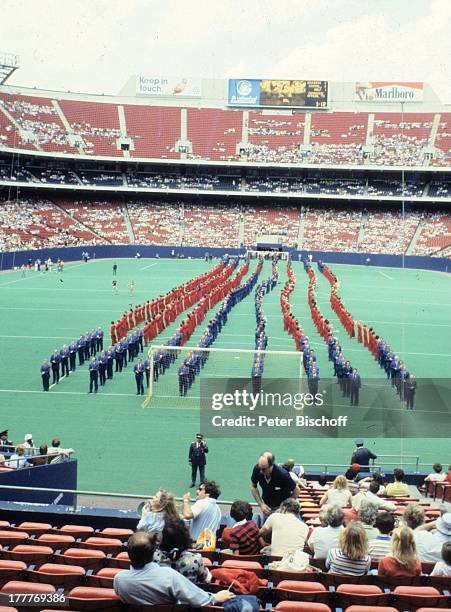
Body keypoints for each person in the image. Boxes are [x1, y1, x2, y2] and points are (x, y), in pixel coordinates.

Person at [113, 531, 234, 606]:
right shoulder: (168, 576)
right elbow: (199, 600)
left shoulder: (119, 580)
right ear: (153, 551)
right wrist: (215, 598)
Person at [153, 520, 211, 584]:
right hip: (187, 594)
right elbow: (207, 580)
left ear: (163, 539)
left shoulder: (153, 557)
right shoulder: (195, 559)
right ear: (185, 539)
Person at [250, 451, 295, 516]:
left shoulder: (283, 475)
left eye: (264, 469)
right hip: (267, 507)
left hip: (283, 509)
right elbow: (253, 487)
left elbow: (296, 491)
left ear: (272, 465)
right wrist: (261, 504)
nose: (261, 471)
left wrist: (284, 507)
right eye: (259, 467)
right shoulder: (257, 469)